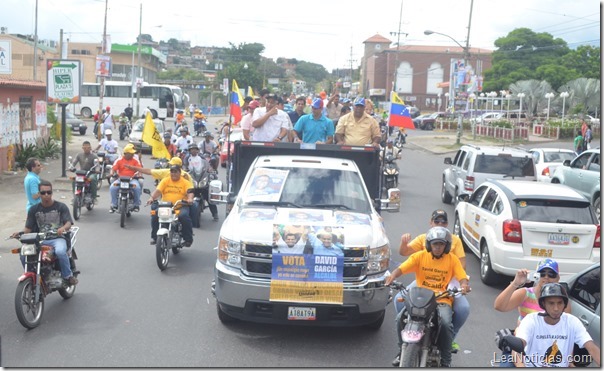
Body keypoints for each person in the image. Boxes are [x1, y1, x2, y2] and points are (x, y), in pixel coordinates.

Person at [385, 226, 470, 368]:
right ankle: (401, 351)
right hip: (420, 298)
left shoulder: (452, 259)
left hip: (442, 299)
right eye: (435, 243)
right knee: (400, 318)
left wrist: (464, 285)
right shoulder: (420, 256)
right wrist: (392, 276)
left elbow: (462, 276)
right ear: (429, 244)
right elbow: (402, 268)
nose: (437, 247)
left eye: (441, 244)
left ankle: (446, 360)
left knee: (445, 323)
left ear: (447, 246)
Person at [397, 210, 470, 354]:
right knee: (399, 300)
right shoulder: (423, 239)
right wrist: (403, 242)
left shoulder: (455, 240)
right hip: (424, 280)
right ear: (431, 223)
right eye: (437, 221)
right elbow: (404, 253)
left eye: (443, 222)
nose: (440, 224)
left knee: (463, 309)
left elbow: (462, 266)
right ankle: (408, 331)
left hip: (448, 283)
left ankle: (448, 339)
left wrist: (459, 282)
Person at [493, 258, 571, 367]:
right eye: (542, 274)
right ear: (537, 276)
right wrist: (515, 283)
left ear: (558, 278)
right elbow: (499, 306)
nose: (546, 278)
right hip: (523, 344)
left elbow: (567, 330)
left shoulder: (561, 299)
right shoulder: (525, 294)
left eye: (551, 274)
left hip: (548, 347)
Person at [512, 283, 600, 367]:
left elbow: (591, 347)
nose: (556, 308)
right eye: (551, 303)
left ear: (564, 304)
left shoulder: (572, 322)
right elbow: (517, 349)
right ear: (543, 304)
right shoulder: (531, 320)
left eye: (560, 303)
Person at [12, 180, 78, 285]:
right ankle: (32, 276)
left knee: (61, 252)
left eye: (49, 192)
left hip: (58, 239)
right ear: (39, 194)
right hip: (40, 240)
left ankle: (68, 276)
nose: (46, 195)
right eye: (43, 193)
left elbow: (68, 223)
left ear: (52, 192)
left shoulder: (61, 207)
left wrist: (63, 228)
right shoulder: (33, 210)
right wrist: (19, 233)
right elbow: (28, 229)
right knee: (23, 254)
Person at [146, 164, 195, 247]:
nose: (173, 174)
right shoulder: (165, 181)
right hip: (166, 206)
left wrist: (190, 199)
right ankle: (155, 237)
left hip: (180, 206)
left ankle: (188, 239)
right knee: (155, 215)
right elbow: (158, 191)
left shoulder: (185, 182)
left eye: (175, 172)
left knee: (184, 216)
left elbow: (190, 192)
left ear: (180, 173)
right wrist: (151, 198)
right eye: (172, 172)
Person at [184, 143, 219, 222]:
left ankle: (215, 214)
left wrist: (210, 170)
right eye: (192, 149)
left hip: (201, 177)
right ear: (190, 151)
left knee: (208, 196)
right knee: (184, 195)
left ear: (197, 150)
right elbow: (184, 166)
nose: (193, 150)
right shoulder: (187, 158)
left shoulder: (201, 157)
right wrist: (185, 171)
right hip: (192, 177)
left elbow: (207, 165)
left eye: (195, 149)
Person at [108, 145, 142, 213]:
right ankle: (114, 204)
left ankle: (136, 205)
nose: (133, 154)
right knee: (112, 187)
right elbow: (113, 169)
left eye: (133, 153)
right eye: (131, 153)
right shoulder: (119, 160)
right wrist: (111, 173)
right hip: (121, 180)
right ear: (126, 153)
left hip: (132, 179)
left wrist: (139, 174)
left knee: (137, 188)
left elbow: (140, 169)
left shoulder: (135, 160)